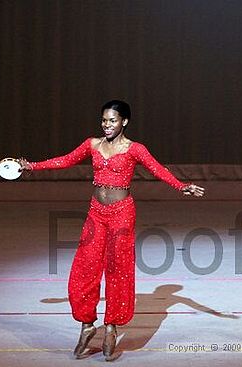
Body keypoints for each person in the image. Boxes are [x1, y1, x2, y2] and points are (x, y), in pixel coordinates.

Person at [19, 100, 204, 361]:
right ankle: (86, 325)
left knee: (118, 271)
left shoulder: (134, 149)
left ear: (124, 122)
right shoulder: (92, 144)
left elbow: (157, 169)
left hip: (122, 213)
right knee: (84, 269)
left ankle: (111, 328)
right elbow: (65, 160)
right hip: (96, 213)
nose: (107, 125)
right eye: (104, 120)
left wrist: (180, 186)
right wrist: (32, 166)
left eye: (113, 120)